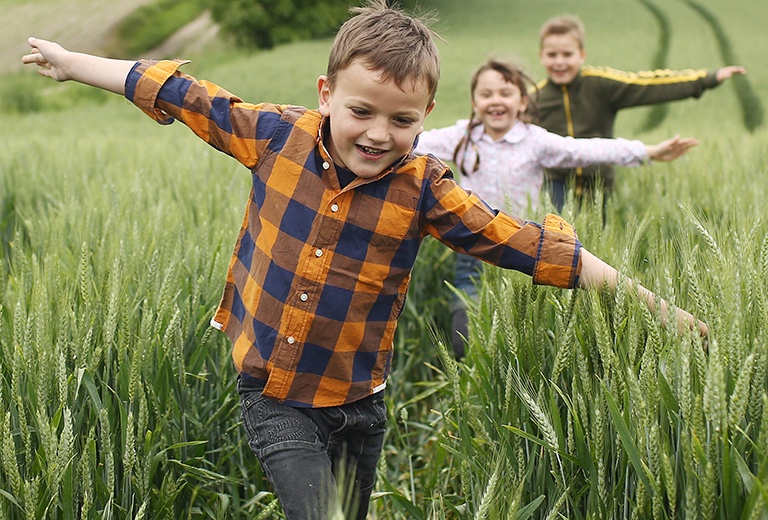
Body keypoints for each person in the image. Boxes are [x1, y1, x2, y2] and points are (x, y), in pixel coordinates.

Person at [21, 2, 707, 518]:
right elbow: (178, 93)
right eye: (361, 111)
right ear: (326, 93)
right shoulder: (274, 134)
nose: (379, 134)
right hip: (277, 395)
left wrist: (658, 305)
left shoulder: (426, 189)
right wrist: (72, 61)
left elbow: (530, 246)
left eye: (403, 121)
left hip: (361, 403)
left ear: (428, 113)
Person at [415, 58, 698, 358]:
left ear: (523, 102)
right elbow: (415, 141)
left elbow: (585, 149)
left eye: (505, 93)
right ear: (474, 101)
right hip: (471, 250)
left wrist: (646, 151)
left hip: (521, 249)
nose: (495, 101)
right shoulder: (463, 136)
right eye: (486, 94)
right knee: (464, 337)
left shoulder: (535, 141)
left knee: (522, 332)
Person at [535, 14, 747, 212]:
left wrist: (705, 80)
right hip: (555, 186)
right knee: (556, 244)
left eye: (567, 54)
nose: (559, 62)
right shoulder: (534, 98)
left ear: (582, 55)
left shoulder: (599, 85)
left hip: (600, 185)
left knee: (595, 244)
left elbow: (648, 86)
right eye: (552, 55)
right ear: (541, 56)